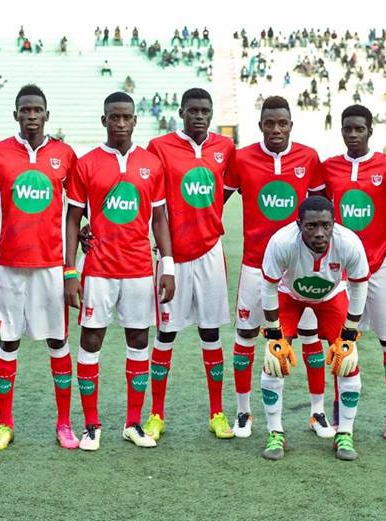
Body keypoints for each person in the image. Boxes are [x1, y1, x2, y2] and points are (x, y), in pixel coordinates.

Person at [0, 85, 80, 451]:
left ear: (46, 114)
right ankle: (4, 424)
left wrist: (88, 234)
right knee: (7, 340)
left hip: (51, 266)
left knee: (58, 341)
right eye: (24, 109)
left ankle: (64, 423)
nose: (31, 115)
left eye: (37, 110)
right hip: (9, 265)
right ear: (15, 114)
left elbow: (77, 208)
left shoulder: (64, 154)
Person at [63, 92, 176, 450]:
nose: (121, 123)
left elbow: (159, 218)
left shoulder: (151, 164)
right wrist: (70, 271)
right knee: (91, 340)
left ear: (135, 120)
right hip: (98, 268)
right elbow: (72, 220)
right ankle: (92, 425)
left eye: (127, 117)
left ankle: (133, 423)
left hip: (140, 269)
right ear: (104, 121)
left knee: (139, 341)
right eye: (114, 117)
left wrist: (167, 265)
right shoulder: (87, 164)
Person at [223, 96, 327, 439]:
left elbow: (323, 210)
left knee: (310, 337)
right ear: (261, 126)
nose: (276, 129)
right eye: (270, 123)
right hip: (255, 264)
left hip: (300, 268)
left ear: (291, 125)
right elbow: (215, 202)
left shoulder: (308, 158)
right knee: (246, 336)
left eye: (282, 123)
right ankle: (242, 412)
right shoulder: (242, 159)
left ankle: (317, 412)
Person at [140, 88, 236, 441]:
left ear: (212, 115)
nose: (199, 116)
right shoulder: (159, 147)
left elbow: (230, 187)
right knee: (166, 333)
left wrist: (210, 214)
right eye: (193, 110)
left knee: (210, 333)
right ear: (180, 112)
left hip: (211, 251)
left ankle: (217, 413)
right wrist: (165, 257)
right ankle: (156, 415)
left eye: (205, 111)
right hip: (173, 256)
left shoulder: (224, 149)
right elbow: (151, 201)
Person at [258, 196, 370, 461]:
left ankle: (345, 433)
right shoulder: (282, 241)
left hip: (331, 297)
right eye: (311, 226)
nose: (319, 233)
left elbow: (359, 287)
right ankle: (275, 433)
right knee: (274, 360)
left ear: (334, 223)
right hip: (289, 296)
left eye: (325, 225)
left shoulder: (349, 242)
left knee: (348, 359)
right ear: (299, 224)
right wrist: (274, 334)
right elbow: (269, 287)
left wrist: (349, 334)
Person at [319, 105, 386, 438]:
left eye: (359, 129)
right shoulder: (329, 168)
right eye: (347, 129)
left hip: (380, 267)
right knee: (343, 343)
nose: (352, 134)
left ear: (370, 131)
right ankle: (340, 405)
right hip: (340, 273)